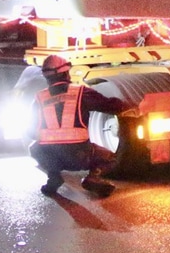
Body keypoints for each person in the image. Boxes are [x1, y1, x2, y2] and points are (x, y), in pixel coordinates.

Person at [29, 54, 130, 197]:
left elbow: (30, 131)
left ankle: (53, 177)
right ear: (65, 72)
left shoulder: (40, 98)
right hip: (79, 157)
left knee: (34, 148)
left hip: (49, 156)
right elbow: (109, 105)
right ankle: (93, 178)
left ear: (46, 77)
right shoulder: (80, 93)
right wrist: (127, 106)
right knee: (110, 157)